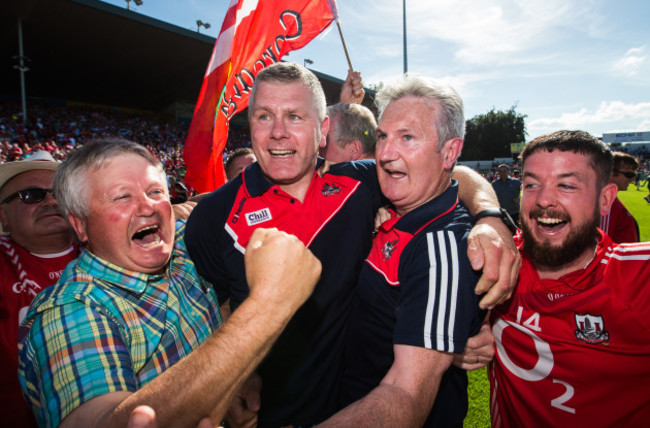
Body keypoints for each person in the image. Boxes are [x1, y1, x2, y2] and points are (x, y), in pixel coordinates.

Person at [185, 62, 519, 427]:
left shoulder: (360, 185)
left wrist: (490, 217)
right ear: (249, 124)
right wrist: (236, 377)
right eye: (264, 116)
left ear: (323, 128)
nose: (278, 133)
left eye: (294, 116)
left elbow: (452, 174)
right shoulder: (212, 217)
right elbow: (214, 311)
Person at [17, 139, 322, 428]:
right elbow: (105, 420)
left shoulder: (181, 247)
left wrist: (234, 380)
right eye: (122, 197)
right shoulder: (70, 310)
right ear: (79, 225)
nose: (148, 208)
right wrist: (266, 308)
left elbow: (218, 204)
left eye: (155, 192)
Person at [323, 76, 486, 427]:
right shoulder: (382, 193)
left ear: (450, 152)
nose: (384, 153)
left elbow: (406, 394)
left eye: (407, 137)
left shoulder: (443, 247)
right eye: (382, 136)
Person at [490, 130, 650, 427]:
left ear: (605, 200)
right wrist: (486, 217)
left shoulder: (637, 277)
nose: (544, 200)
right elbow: (453, 175)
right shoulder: (496, 261)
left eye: (566, 185)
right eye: (531, 184)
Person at [0, 150, 79, 428]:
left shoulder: (109, 250)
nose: (50, 201)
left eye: (59, 192)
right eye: (32, 195)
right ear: (4, 216)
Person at [599, 151, 640, 242]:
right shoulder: (604, 201)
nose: (633, 179)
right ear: (610, 172)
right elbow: (600, 245)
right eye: (629, 175)